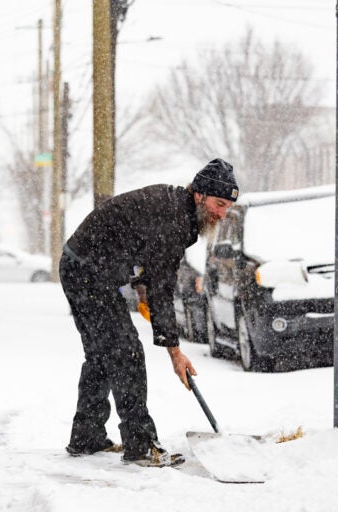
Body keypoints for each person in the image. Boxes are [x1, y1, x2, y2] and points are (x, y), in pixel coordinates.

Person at [59, 158, 239, 466]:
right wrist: (175, 353)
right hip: (88, 273)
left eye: (227, 208)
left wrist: (143, 294)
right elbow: (162, 286)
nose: (222, 214)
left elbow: (146, 261)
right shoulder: (174, 218)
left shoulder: (175, 208)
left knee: (102, 353)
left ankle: (87, 436)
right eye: (218, 204)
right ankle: (141, 445)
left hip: (82, 267)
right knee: (126, 352)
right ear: (199, 194)